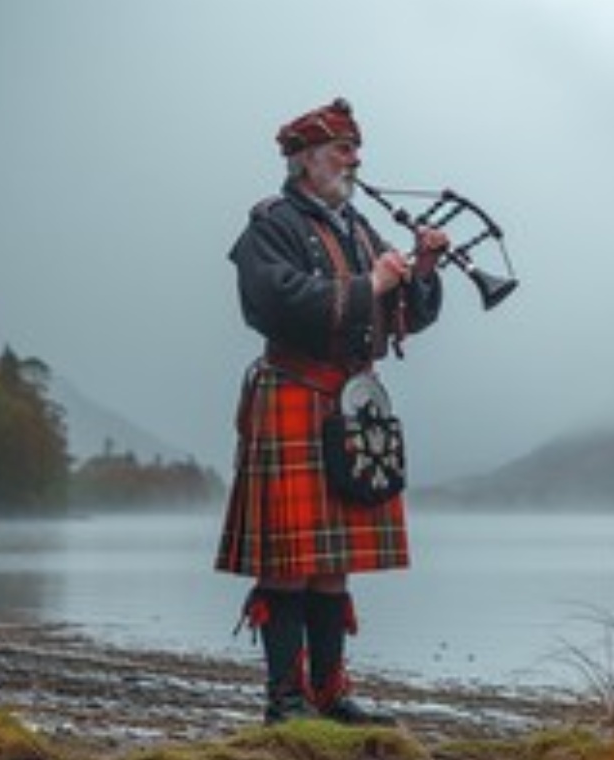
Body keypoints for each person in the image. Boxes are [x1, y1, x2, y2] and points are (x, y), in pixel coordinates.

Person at [215, 97, 447, 726]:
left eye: (354, 148)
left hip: (351, 404)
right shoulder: (271, 224)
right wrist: (369, 285)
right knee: (289, 566)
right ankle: (286, 705)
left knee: (332, 567)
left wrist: (420, 269)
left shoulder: (359, 228)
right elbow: (272, 302)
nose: (355, 159)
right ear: (306, 160)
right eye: (343, 149)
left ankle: (329, 697)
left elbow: (405, 317)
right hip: (292, 390)